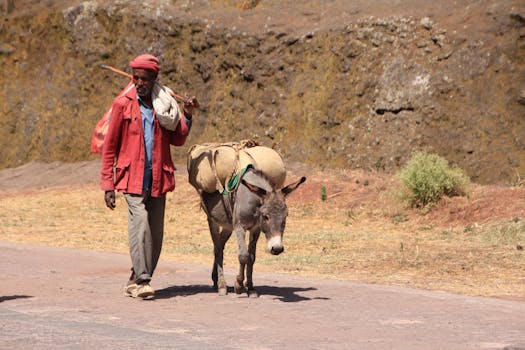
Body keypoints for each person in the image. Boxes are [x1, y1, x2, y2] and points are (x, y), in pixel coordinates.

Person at [100, 54, 198, 299]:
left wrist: (186, 115)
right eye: (136, 78)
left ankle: (136, 278)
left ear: (155, 79)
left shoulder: (164, 105)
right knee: (141, 225)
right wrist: (107, 184)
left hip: (158, 178)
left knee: (155, 234)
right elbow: (109, 146)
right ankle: (143, 280)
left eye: (144, 79)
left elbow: (177, 139)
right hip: (131, 177)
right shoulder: (122, 104)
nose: (139, 83)